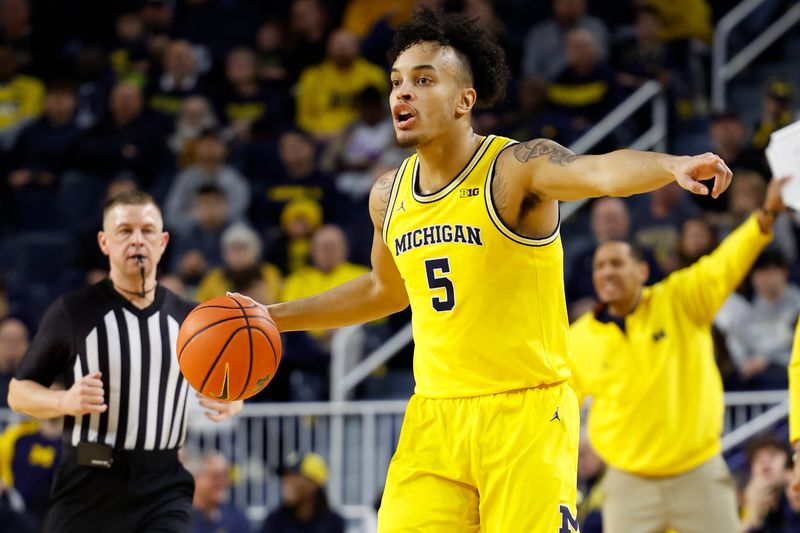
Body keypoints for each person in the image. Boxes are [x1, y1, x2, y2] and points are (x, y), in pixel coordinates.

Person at [236, 8, 733, 531]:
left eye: (424, 81)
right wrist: (271, 317)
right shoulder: (388, 194)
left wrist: (671, 166)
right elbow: (385, 291)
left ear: (464, 100)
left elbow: (601, 170)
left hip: (525, 415)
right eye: (396, 82)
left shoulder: (514, 169)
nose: (402, 94)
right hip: (434, 418)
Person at [7, 190, 242, 532]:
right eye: (124, 231)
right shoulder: (74, 311)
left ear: (163, 242)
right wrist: (63, 400)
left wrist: (233, 401)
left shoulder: (193, 318)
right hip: (89, 479)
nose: (137, 240)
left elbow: (232, 387)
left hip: (164, 484)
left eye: (147, 231)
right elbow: (18, 392)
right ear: (104, 242)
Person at [568, 177, 787, 533]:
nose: (606, 271)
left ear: (641, 271)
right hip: (627, 481)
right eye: (599, 266)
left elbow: (725, 264)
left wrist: (765, 215)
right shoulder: (578, 339)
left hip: (697, 471)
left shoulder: (680, 299)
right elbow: (562, 408)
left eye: (616, 263)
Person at [260, 452, 345, 533]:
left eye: (293, 477)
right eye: (285, 477)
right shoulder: (275, 521)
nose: (286, 482)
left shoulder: (332, 523)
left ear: (313, 483)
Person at [187, 452, 250, 533]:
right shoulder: (177, 517)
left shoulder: (235, 517)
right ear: (194, 478)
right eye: (215, 476)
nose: (222, 482)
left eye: (226, 476)